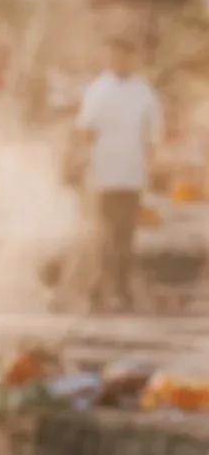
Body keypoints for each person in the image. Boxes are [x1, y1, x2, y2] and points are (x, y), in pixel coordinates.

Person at [76, 35, 162, 312]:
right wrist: (81, 164)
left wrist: (153, 166)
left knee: (125, 236)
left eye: (125, 55)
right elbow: (87, 131)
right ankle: (97, 290)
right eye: (114, 55)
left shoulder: (144, 92)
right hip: (103, 174)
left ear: (133, 58)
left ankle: (122, 291)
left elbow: (153, 134)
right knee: (102, 234)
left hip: (132, 173)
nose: (119, 60)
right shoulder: (97, 90)